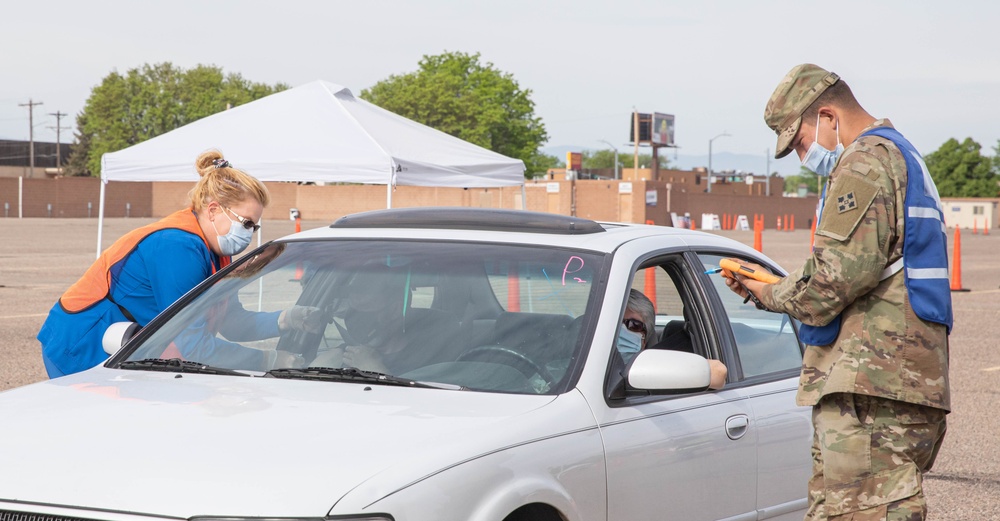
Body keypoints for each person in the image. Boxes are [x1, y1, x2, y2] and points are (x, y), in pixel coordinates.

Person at [723, 64, 950, 520]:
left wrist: (766, 292)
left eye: (800, 141)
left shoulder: (864, 161)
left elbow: (833, 281)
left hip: (873, 384)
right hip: (894, 380)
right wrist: (776, 285)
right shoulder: (901, 154)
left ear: (827, 116)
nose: (803, 154)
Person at [38, 150, 314, 377]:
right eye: (246, 223)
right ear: (215, 210)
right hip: (83, 342)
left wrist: (286, 319)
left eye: (253, 227)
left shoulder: (218, 250)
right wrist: (270, 360)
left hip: (128, 342)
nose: (249, 233)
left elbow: (233, 323)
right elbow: (193, 346)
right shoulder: (177, 247)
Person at [618, 288, 727, 390]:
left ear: (644, 339)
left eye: (634, 325)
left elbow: (717, 372)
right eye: (616, 324)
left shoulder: (651, 368)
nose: (622, 330)